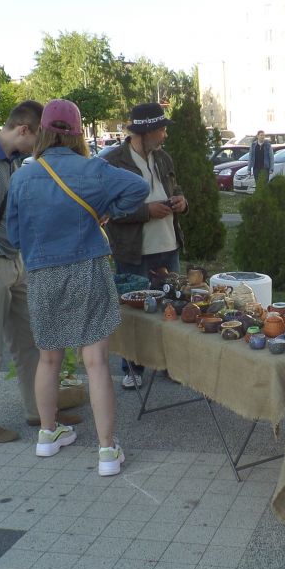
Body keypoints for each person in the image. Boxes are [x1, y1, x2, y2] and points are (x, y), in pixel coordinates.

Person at [7, 99, 149, 473]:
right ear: (77, 133)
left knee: (48, 358)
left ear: (43, 131)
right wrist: (108, 212)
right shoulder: (94, 169)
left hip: (42, 274)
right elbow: (138, 188)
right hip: (87, 267)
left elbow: (14, 235)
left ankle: (47, 435)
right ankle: (106, 451)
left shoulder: (22, 177)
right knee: (96, 361)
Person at [0, 100, 83, 443]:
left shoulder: (13, 159)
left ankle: (40, 411)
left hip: (14, 262)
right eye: (39, 137)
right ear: (24, 129)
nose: (41, 146)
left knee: (31, 342)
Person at [102, 102, 189, 389]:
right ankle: (132, 368)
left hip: (168, 244)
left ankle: (169, 365)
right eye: (161, 129)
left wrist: (181, 202)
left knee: (171, 307)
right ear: (145, 131)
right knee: (135, 313)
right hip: (133, 250)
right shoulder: (113, 161)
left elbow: (175, 189)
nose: (165, 134)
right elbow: (107, 210)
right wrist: (145, 211)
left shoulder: (163, 158)